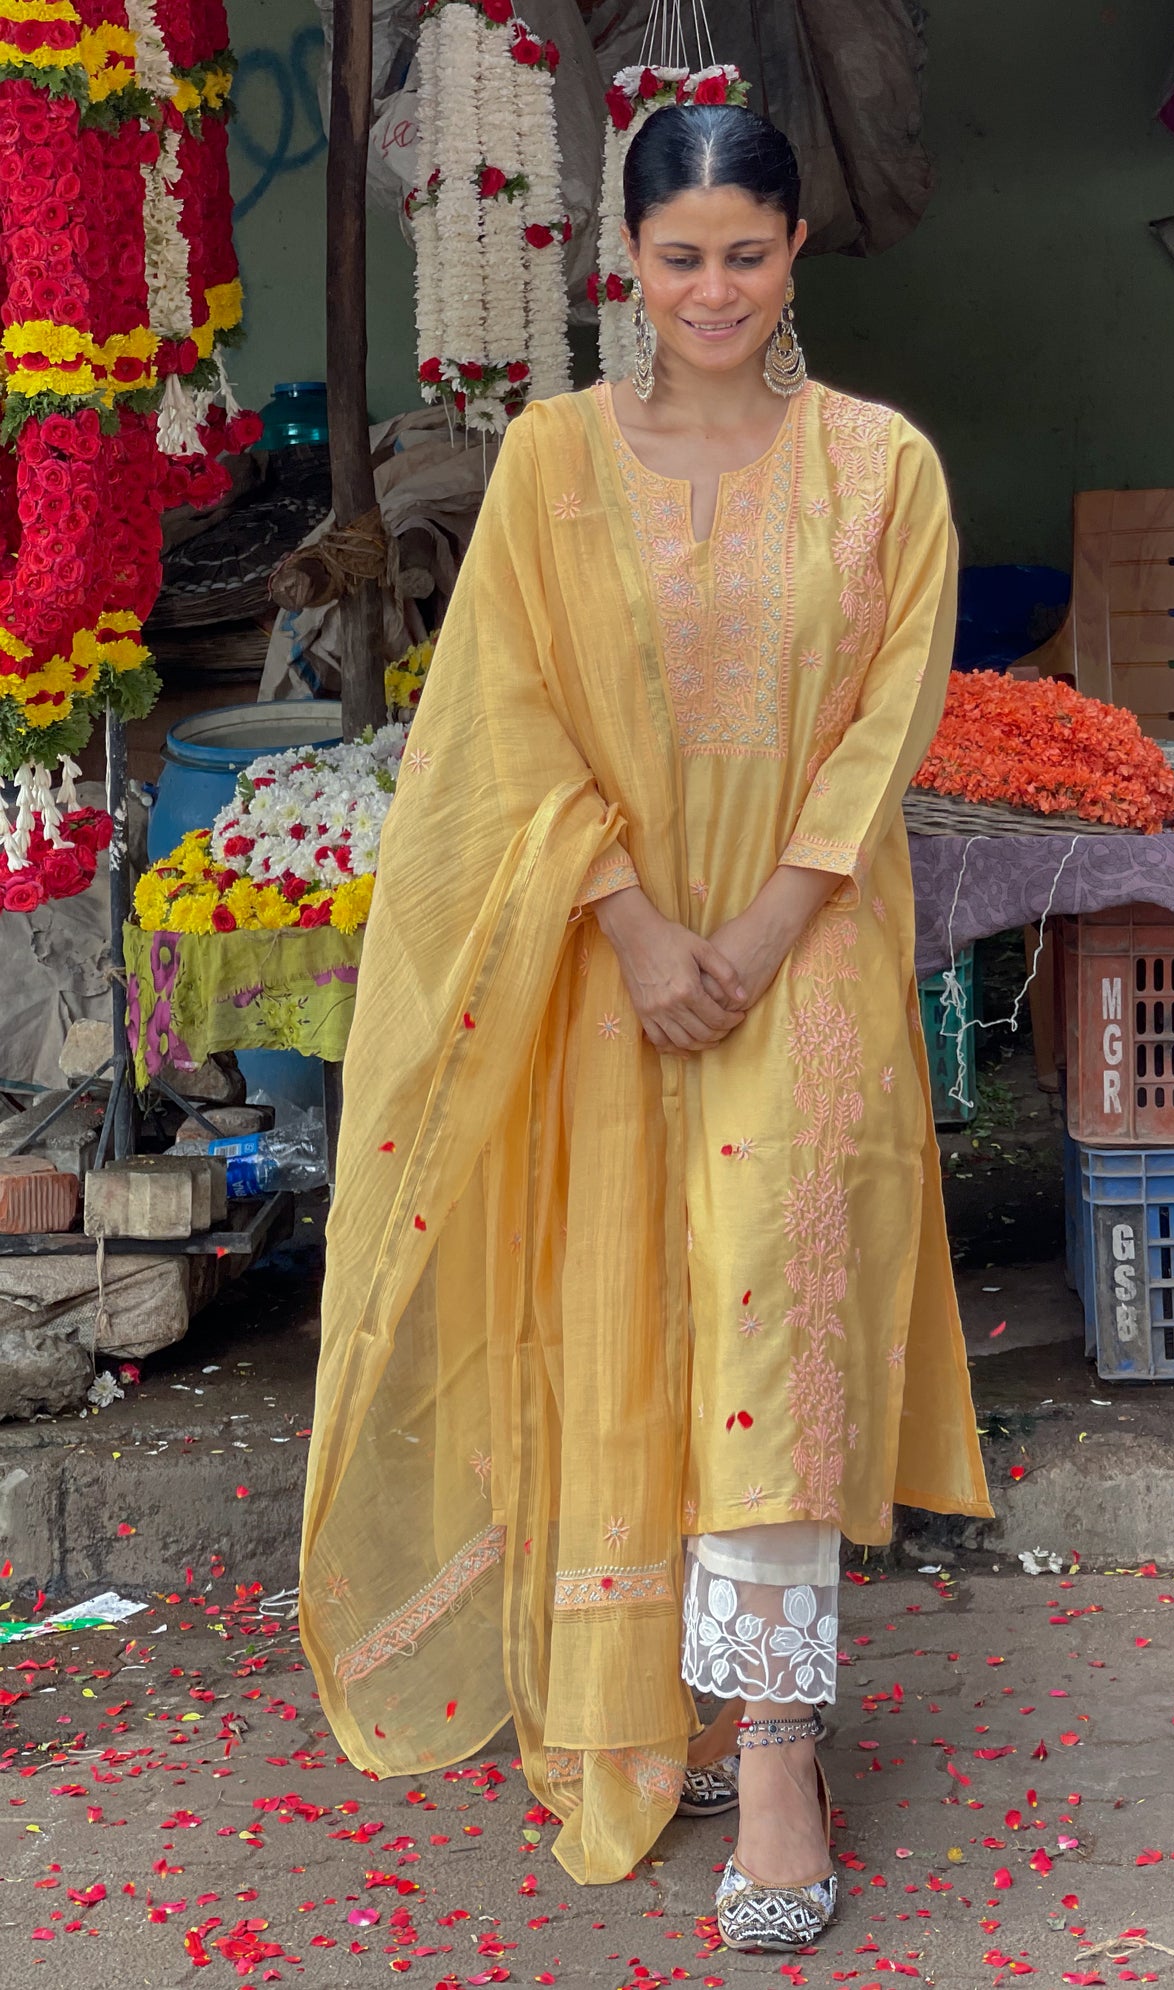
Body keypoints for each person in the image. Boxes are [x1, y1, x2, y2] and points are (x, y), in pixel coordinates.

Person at [299, 102, 992, 1955]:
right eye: (676, 256)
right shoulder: (545, 461)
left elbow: (888, 717)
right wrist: (631, 919)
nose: (709, 289)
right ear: (627, 262)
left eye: (742, 254)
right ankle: (645, 1704)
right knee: (625, 1307)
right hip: (607, 957)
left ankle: (777, 1740)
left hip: (807, 944)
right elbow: (506, 710)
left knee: (774, 1289)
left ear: (791, 255)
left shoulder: (880, 468)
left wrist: (756, 928)